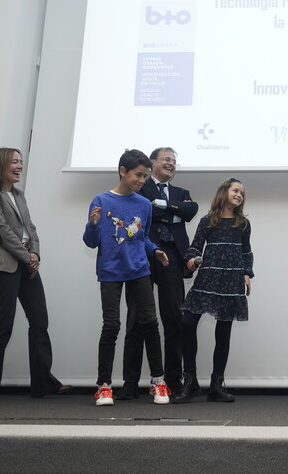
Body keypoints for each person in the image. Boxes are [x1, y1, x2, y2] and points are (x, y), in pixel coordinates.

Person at [0, 148, 72, 400]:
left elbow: (30, 227)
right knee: (4, 324)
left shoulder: (19, 194)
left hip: (26, 263)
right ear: (0, 165)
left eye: (21, 162)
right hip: (2, 265)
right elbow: (1, 230)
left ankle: (43, 382)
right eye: (14, 162)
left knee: (39, 321)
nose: (20, 166)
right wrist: (26, 256)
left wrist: (35, 253)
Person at [83, 149, 171, 406]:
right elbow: (91, 242)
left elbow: (142, 238)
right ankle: (104, 386)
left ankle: (158, 381)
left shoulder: (143, 204)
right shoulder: (101, 200)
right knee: (111, 326)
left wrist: (154, 251)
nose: (142, 181)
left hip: (139, 270)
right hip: (110, 271)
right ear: (123, 171)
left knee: (150, 322)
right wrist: (93, 225)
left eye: (145, 176)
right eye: (138, 175)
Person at [118, 147, 198, 400]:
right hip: (142, 253)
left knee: (173, 318)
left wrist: (162, 206)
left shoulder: (181, 192)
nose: (171, 163)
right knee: (137, 318)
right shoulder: (140, 186)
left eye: (174, 161)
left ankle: (173, 380)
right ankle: (130, 382)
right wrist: (173, 213)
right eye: (166, 159)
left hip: (172, 257)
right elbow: (145, 213)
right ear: (153, 162)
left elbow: (190, 211)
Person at [174, 178, 254, 404]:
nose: (239, 195)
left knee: (223, 332)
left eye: (242, 193)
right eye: (235, 190)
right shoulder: (207, 220)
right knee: (187, 323)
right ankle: (190, 381)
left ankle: (217, 385)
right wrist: (192, 260)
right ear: (224, 192)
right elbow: (195, 247)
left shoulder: (243, 224)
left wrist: (247, 273)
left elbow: (246, 252)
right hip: (207, 279)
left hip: (231, 281)